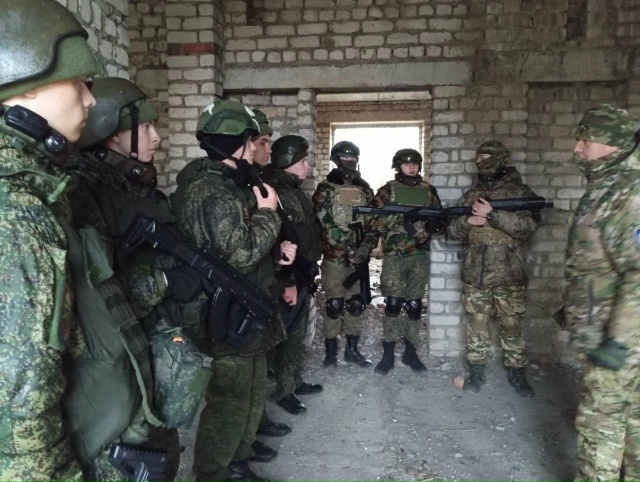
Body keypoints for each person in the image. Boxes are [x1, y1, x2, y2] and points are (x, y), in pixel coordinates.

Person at [0, 0, 100, 479]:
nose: (90, 100)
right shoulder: (16, 207)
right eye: (80, 83)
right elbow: (23, 393)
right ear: (27, 84)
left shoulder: (37, 183)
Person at [172, 99, 295, 482]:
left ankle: (238, 462)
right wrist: (268, 214)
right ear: (237, 142)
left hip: (246, 310)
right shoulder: (213, 192)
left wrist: (275, 255)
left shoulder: (228, 186)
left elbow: (239, 251)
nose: (257, 147)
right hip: (227, 316)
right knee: (229, 400)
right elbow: (241, 254)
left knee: (250, 393)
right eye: (252, 140)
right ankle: (213, 473)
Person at [564, 105, 640, 481]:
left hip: (619, 341)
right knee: (632, 421)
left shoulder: (627, 192)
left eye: (586, 139)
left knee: (600, 428)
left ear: (613, 143)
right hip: (608, 330)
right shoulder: (608, 186)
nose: (577, 148)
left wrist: (618, 341)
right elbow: (597, 262)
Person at [447, 140, 538, 397]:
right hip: (475, 274)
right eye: (478, 158)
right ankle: (476, 372)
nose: (479, 162)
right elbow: (451, 231)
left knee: (511, 324)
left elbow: (528, 228)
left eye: (484, 157)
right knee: (477, 324)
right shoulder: (472, 193)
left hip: (509, 273)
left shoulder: (519, 191)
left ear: (499, 158)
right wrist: (468, 221)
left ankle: (517, 373)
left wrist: (492, 215)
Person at [367, 148, 443, 375]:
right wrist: (401, 219)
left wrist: (431, 226)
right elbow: (372, 221)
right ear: (398, 166)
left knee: (414, 305)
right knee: (392, 303)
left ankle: (411, 351)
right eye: (407, 163)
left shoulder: (428, 191)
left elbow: (440, 222)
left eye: (415, 163)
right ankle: (388, 352)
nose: (412, 167)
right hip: (394, 256)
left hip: (418, 256)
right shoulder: (388, 190)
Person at [263, 135, 324, 413]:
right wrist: (287, 281)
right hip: (288, 276)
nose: (307, 166)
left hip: (302, 273)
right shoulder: (278, 192)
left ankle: (294, 380)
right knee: (289, 333)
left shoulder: (293, 191)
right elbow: (280, 240)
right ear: (287, 162)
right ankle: (284, 390)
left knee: (297, 332)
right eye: (302, 161)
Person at [312, 140, 378, 368]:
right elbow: (324, 223)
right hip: (335, 258)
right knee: (334, 304)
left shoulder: (365, 190)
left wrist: (364, 249)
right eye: (345, 157)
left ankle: (352, 351)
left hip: (357, 259)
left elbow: (373, 224)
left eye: (353, 157)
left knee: (356, 304)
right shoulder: (326, 189)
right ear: (336, 159)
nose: (350, 161)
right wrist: (346, 248)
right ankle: (331, 352)